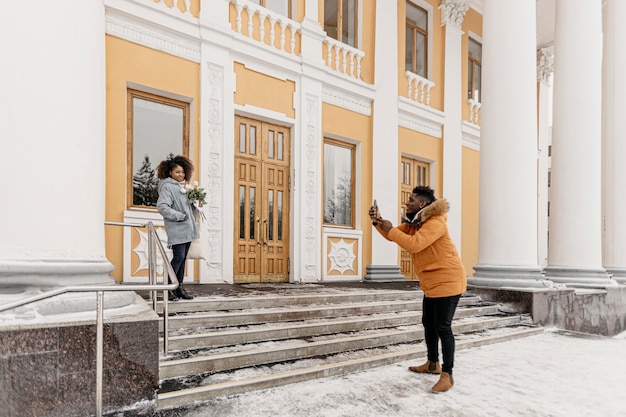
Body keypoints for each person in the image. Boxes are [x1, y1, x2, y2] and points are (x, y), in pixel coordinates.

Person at [369, 185, 467, 393]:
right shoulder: (415, 222)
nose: (407, 202)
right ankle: (432, 364)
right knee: (428, 324)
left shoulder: (435, 222)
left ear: (422, 204)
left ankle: (447, 375)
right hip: (432, 283)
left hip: (448, 281)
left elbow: (413, 245)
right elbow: (392, 234)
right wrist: (378, 222)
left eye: (411, 199)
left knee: (443, 327)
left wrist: (390, 228)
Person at [156, 154, 198, 301]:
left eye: (182, 172)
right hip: (178, 229)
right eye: (177, 172)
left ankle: (178, 287)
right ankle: (169, 288)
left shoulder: (182, 187)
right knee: (178, 258)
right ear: (170, 172)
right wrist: (180, 216)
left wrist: (195, 204)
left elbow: (186, 208)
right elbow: (162, 207)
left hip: (187, 229)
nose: (181, 175)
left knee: (182, 258)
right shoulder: (168, 187)